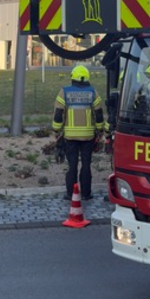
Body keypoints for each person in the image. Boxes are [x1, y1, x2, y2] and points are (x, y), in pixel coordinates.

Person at [52, 64, 106, 201]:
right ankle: (86, 194)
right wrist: (100, 131)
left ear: (73, 77)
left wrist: (56, 130)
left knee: (72, 165)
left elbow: (58, 114)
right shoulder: (93, 93)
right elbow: (99, 115)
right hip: (88, 136)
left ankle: (71, 194)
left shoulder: (64, 92)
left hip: (70, 136)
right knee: (86, 165)